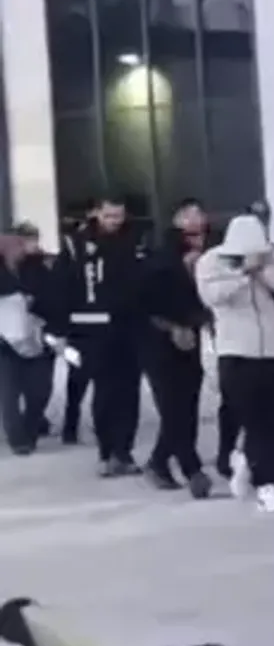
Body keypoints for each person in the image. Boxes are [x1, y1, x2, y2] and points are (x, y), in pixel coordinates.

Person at [196, 213, 274, 513]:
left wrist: (265, 269)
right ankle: (265, 485)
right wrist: (243, 272)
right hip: (236, 352)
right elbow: (213, 296)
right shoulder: (211, 261)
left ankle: (245, 458)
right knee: (254, 420)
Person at [52, 194, 150, 477]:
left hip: (129, 329)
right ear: (96, 213)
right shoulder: (76, 245)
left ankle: (124, 452)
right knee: (105, 393)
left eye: (119, 216)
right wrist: (60, 331)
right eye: (109, 216)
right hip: (91, 331)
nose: (114, 222)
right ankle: (106, 453)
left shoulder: (136, 241)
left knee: (129, 394)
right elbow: (62, 289)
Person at [139, 199, 214, 499]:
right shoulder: (162, 256)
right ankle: (192, 469)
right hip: (158, 339)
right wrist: (172, 326)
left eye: (199, 214)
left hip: (191, 337)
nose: (196, 220)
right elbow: (146, 299)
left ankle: (159, 462)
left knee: (188, 406)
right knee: (173, 408)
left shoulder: (211, 250)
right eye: (188, 216)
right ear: (177, 220)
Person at [0, 223, 59, 455]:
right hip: (5, 340)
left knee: (40, 390)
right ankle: (18, 439)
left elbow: (54, 296)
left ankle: (30, 427)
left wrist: (34, 301)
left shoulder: (41, 266)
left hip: (37, 335)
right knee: (9, 393)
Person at [58, 209, 92, 444]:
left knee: (77, 378)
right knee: (78, 378)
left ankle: (71, 425)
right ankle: (71, 424)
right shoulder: (73, 251)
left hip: (82, 322)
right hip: (79, 323)